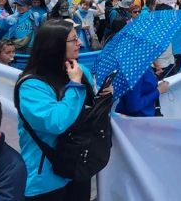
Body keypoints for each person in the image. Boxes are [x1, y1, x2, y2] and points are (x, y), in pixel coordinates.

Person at [14, 19, 111, 200]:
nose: (80, 43)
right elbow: (56, 122)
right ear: (54, 46)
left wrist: (104, 98)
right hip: (46, 176)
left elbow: (87, 112)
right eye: (74, 40)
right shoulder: (31, 85)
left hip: (79, 165)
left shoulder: (80, 71)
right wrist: (76, 85)